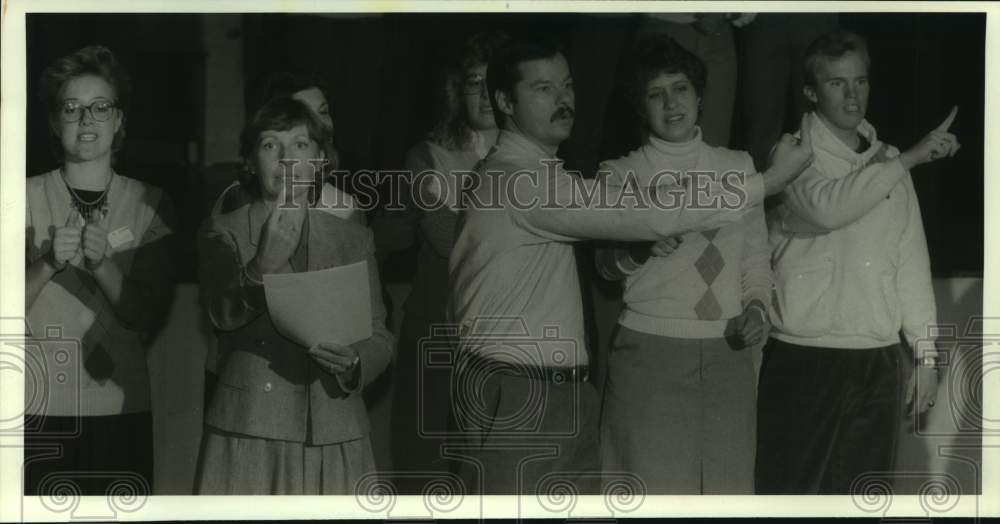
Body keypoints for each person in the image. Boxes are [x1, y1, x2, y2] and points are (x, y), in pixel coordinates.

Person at [448, 33, 813, 494]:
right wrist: (769, 181)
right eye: (542, 89)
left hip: (558, 389)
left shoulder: (541, 175)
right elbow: (647, 212)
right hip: (520, 390)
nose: (562, 99)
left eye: (567, 85)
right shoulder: (517, 182)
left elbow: (646, 208)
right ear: (503, 100)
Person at [755, 30, 958, 494]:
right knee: (791, 495)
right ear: (810, 91)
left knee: (866, 500)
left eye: (860, 81)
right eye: (837, 83)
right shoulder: (790, 155)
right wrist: (908, 160)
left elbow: (910, 263)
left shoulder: (889, 162)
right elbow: (829, 207)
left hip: (878, 361)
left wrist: (925, 355)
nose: (852, 94)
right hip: (806, 358)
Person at [594, 34, 771, 494]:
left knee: (725, 495)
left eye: (681, 89)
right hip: (650, 354)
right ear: (640, 106)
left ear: (699, 95)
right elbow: (605, 266)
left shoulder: (739, 166)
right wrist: (637, 248)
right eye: (656, 93)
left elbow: (755, 259)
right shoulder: (620, 173)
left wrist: (756, 309)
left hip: (727, 354)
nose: (671, 103)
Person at [195, 96, 393, 494]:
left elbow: (380, 337)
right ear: (251, 162)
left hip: (335, 427)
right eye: (271, 145)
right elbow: (220, 314)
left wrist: (355, 362)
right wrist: (260, 267)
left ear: (320, 160)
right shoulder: (225, 231)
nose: (286, 159)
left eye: (300, 145)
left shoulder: (353, 238)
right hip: (251, 429)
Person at [24, 45, 176, 495]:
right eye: (71, 108)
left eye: (100, 107)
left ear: (120, 121)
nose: (86, 119)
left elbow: (145, 314)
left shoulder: (151, 203)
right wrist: (47, 263)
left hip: (119, 410)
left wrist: (103, 265)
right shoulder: (18, 197)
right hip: (37, 407)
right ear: (54, 123)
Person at [389, 31, 505, 490]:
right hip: (439, 328)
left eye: (494, 82)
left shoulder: (539, 157)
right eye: (474, 81)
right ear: (457, 89)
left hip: (504, 332)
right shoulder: (426, 156)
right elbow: (446, 239)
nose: (484, 93)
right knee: (427, 467)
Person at [203, 73, 352, 411]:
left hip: (320, 386)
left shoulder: (345, 206)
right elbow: (225, 305)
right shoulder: (237, 205)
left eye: (323, 112)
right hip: (249, 384)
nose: (319, 123)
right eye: (302, 112)